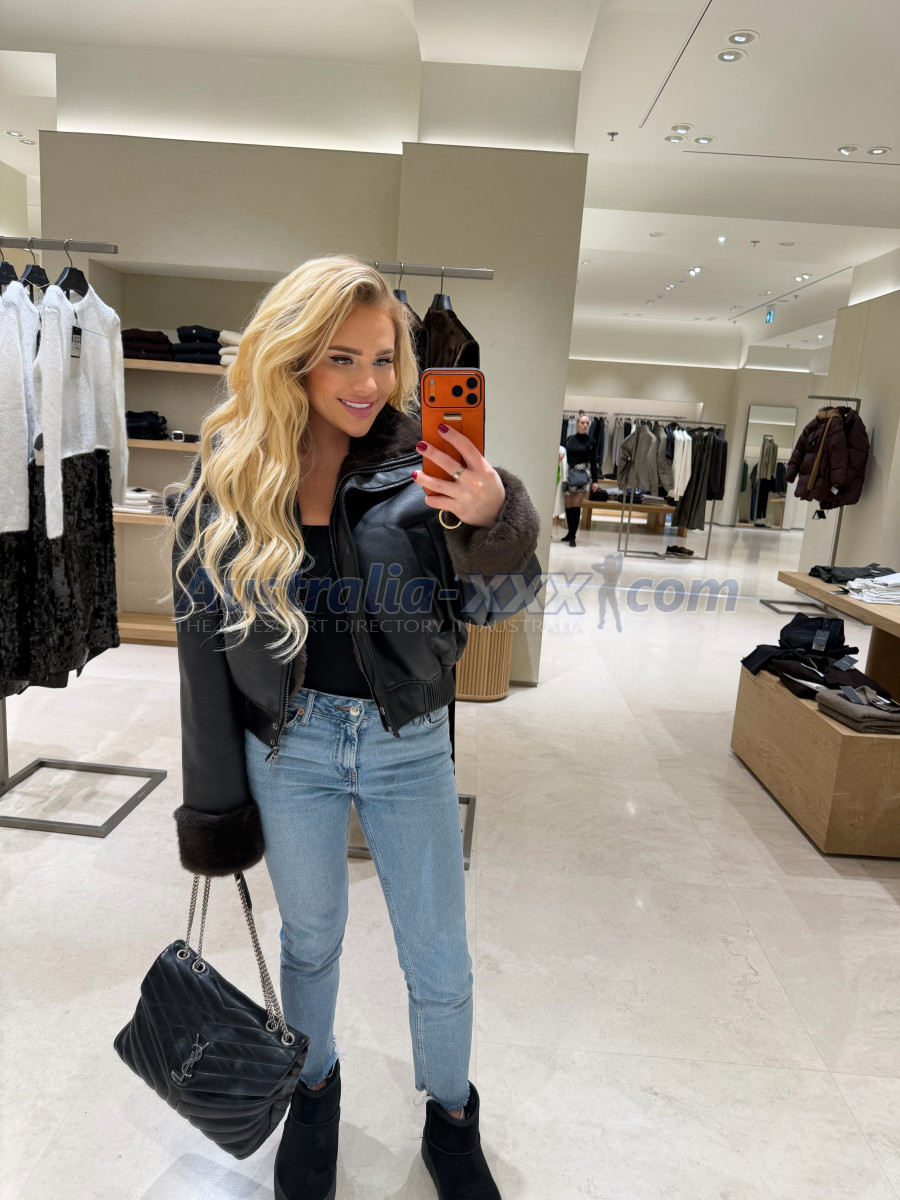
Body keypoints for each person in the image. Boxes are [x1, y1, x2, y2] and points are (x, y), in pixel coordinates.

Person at [165, 255, 542, 1200]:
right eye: (342, 358)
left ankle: (451, 1120)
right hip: (286, 745)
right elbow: (202, 652)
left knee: (438, 953)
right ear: (292, 357)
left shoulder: (427, 464)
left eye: (383, 358)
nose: (369, 382)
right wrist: (214, 804)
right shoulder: (230, 472)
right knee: (311, 940)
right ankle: (314, 1094)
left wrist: (494, 518)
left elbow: (500, 605)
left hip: (407, 742)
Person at [561, 411, 601, 546]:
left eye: (587, 423)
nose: (585, 425)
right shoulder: (570, 439)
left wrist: (595, 480)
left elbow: (593, 462)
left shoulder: (591, 441)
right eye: (582, 423)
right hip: (569, 474)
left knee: (576, 505)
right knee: (568, 504)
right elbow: (564, 455)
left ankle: (573, 536)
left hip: (583, 475)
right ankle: (569, 533)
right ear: (577, 424)